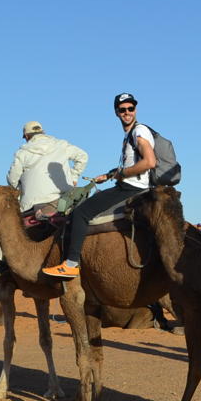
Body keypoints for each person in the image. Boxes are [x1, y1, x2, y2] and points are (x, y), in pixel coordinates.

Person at [42, 92, 156, 279]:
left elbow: (150, 162)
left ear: (135, 110)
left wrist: (121, 175)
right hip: (129, 185)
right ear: (116, 112)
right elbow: (131, 164)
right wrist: (110, 175)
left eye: (130, 108)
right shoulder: (130, 134)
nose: (127, 112)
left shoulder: (139, 131)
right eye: (122, 109)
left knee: (80, 213)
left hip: (130, 188)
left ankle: (71, 263)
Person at [6, 120, 89, 213]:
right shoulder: (61, 145)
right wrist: (74, 177)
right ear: (43, 132)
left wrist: (20, 188)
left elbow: (12, 179)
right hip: (64, 201)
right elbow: (83, 156)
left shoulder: (22, 153)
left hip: (32, 205)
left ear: (26, 136)